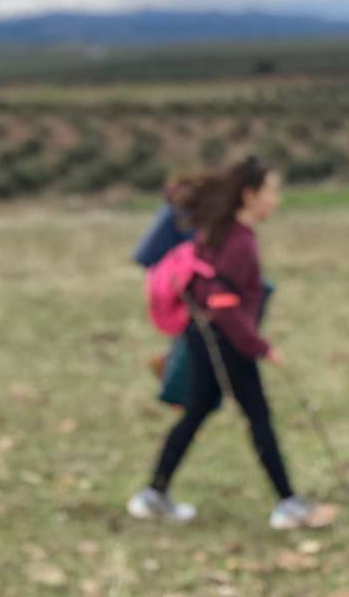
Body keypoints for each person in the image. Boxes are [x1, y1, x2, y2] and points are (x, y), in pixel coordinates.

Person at [129, 156, 315, 529]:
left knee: (197, 412)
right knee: (258, 416)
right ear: (249, 195)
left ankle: (154, 494)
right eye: (271, 192)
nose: (276, 200)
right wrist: (259, 347)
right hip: (224, 341)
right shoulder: (238, 242)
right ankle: (288, 503)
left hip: (207, 337)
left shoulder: (225, 232)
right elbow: (225, 306)